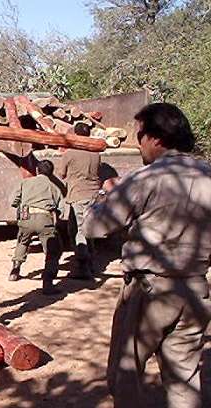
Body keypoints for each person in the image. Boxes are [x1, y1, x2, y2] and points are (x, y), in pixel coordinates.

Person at [82, 103, 211, 408]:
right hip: (195, 289)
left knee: (124, 375)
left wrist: (107, 194)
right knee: (184, 379)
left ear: (157, 138)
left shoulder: (146, 178)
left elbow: (94, 228)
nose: (138, 143)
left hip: (149, 290)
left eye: (140, 135)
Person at [9, 160, 65, 295]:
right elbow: (61, 210)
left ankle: (15, 270)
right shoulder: (54, 187)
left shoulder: (25, 182)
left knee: (22, 241)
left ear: (37, 170)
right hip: (44, 219)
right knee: (53, 251)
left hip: (26, 217)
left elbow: (13, 201)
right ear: (51, 173)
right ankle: (47, 283)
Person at [57, 122, 101, 279]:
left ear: (75, 135)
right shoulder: (96, 153)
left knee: (78, 231)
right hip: (94, 195)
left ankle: (83, 268)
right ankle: (92, 263)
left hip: (78, 195)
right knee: (89, 230)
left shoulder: (70, 153)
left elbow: (61, 174)